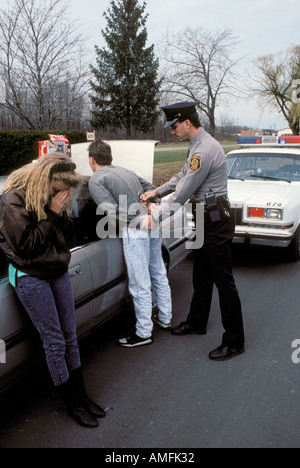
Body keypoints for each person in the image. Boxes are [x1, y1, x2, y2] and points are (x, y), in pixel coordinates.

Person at [0, 153, 106, 427]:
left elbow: (66, 237)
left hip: (57, 271)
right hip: (31, 276)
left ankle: (82, 395)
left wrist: (64, 212)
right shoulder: (13, 199)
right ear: (43, 181)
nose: (60, 195)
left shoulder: (54, 195)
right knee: (55, 342)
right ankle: (72, 402)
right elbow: (27, 245)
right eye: (58, 190)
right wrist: (52, 213)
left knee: (71, 336)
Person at [141, 101, 245, 361]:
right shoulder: (197, 145)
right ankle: (197, 322)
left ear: (188, 123)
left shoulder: (206, 150)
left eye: (174, 127)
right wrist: (157, 191)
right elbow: (182, 176)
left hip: (214, 220)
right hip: (203, 216)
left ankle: (234, 340)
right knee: (201, 275)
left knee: (224, 281)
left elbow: (184, 192)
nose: (172, 132)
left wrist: (157, 218)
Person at [88, 139, 172, 348]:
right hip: (151, 224)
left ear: (91, 160)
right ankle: (165, 318)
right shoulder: (125, 170)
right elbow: (152, 188)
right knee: (158, 273)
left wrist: (137, 220)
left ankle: (143, 333)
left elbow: (111, 211)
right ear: (110, 157)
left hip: (136, 229)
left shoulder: (96, 180)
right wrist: (150, 206)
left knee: (139, 282)